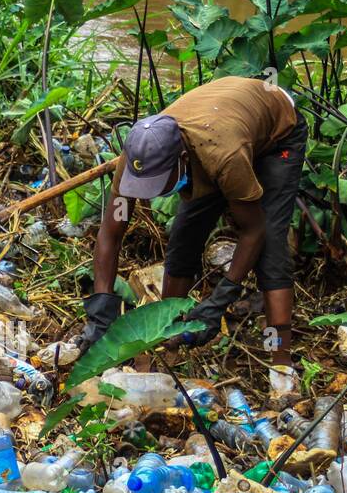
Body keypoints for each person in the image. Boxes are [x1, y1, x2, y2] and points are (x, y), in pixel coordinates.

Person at [81, 75, 307, 401]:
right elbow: (111, 233)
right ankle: (169, 336)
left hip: (276, 138)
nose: (151, 194)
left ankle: (280, 362)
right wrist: (102, 307)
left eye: (160, 184)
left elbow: (252, 231)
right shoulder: (138, 161)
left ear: (183, 161)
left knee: (270, 244)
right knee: (184, 236)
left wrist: (218, 302)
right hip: (220, 131)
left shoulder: (223, 157)